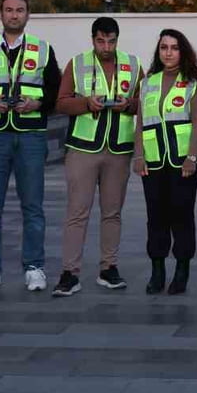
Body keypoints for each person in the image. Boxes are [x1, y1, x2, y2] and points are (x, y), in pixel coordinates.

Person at [0, 0, 61, 294]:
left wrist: (38, 103)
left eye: (20, 10)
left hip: (30, 134)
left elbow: (55, 91)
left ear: (28, 15)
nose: (14, 15)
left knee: (32, 205)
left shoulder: (43, 49)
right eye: (8, 10)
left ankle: (34, 267)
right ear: (0, 14)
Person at [52, 16, 142, 297]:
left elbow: (146, 103)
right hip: (83, 148)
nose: (106, 46)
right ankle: (70, 273)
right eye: (101, 41)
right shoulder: (77, 63)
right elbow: (60, 103)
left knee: (112, 212)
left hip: (118, 149)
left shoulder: (133, 64)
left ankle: (108, 268)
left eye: (111, 40)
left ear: (118, 38)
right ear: (93, 39)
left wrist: (129, 105)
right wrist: (86, 104)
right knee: (77, 213)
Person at [133, 29, 197, 295]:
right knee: (156, 216)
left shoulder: (193, 83)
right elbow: (141, 121)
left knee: (181, 214)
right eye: (164, 47)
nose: (168, 52)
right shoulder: (148, 82)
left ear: (182, 51)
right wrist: (139, 155)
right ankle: (157, 270)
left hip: (182, 163)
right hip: (152, 163)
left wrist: (191, 157)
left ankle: (182, 270)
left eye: (174, 47)